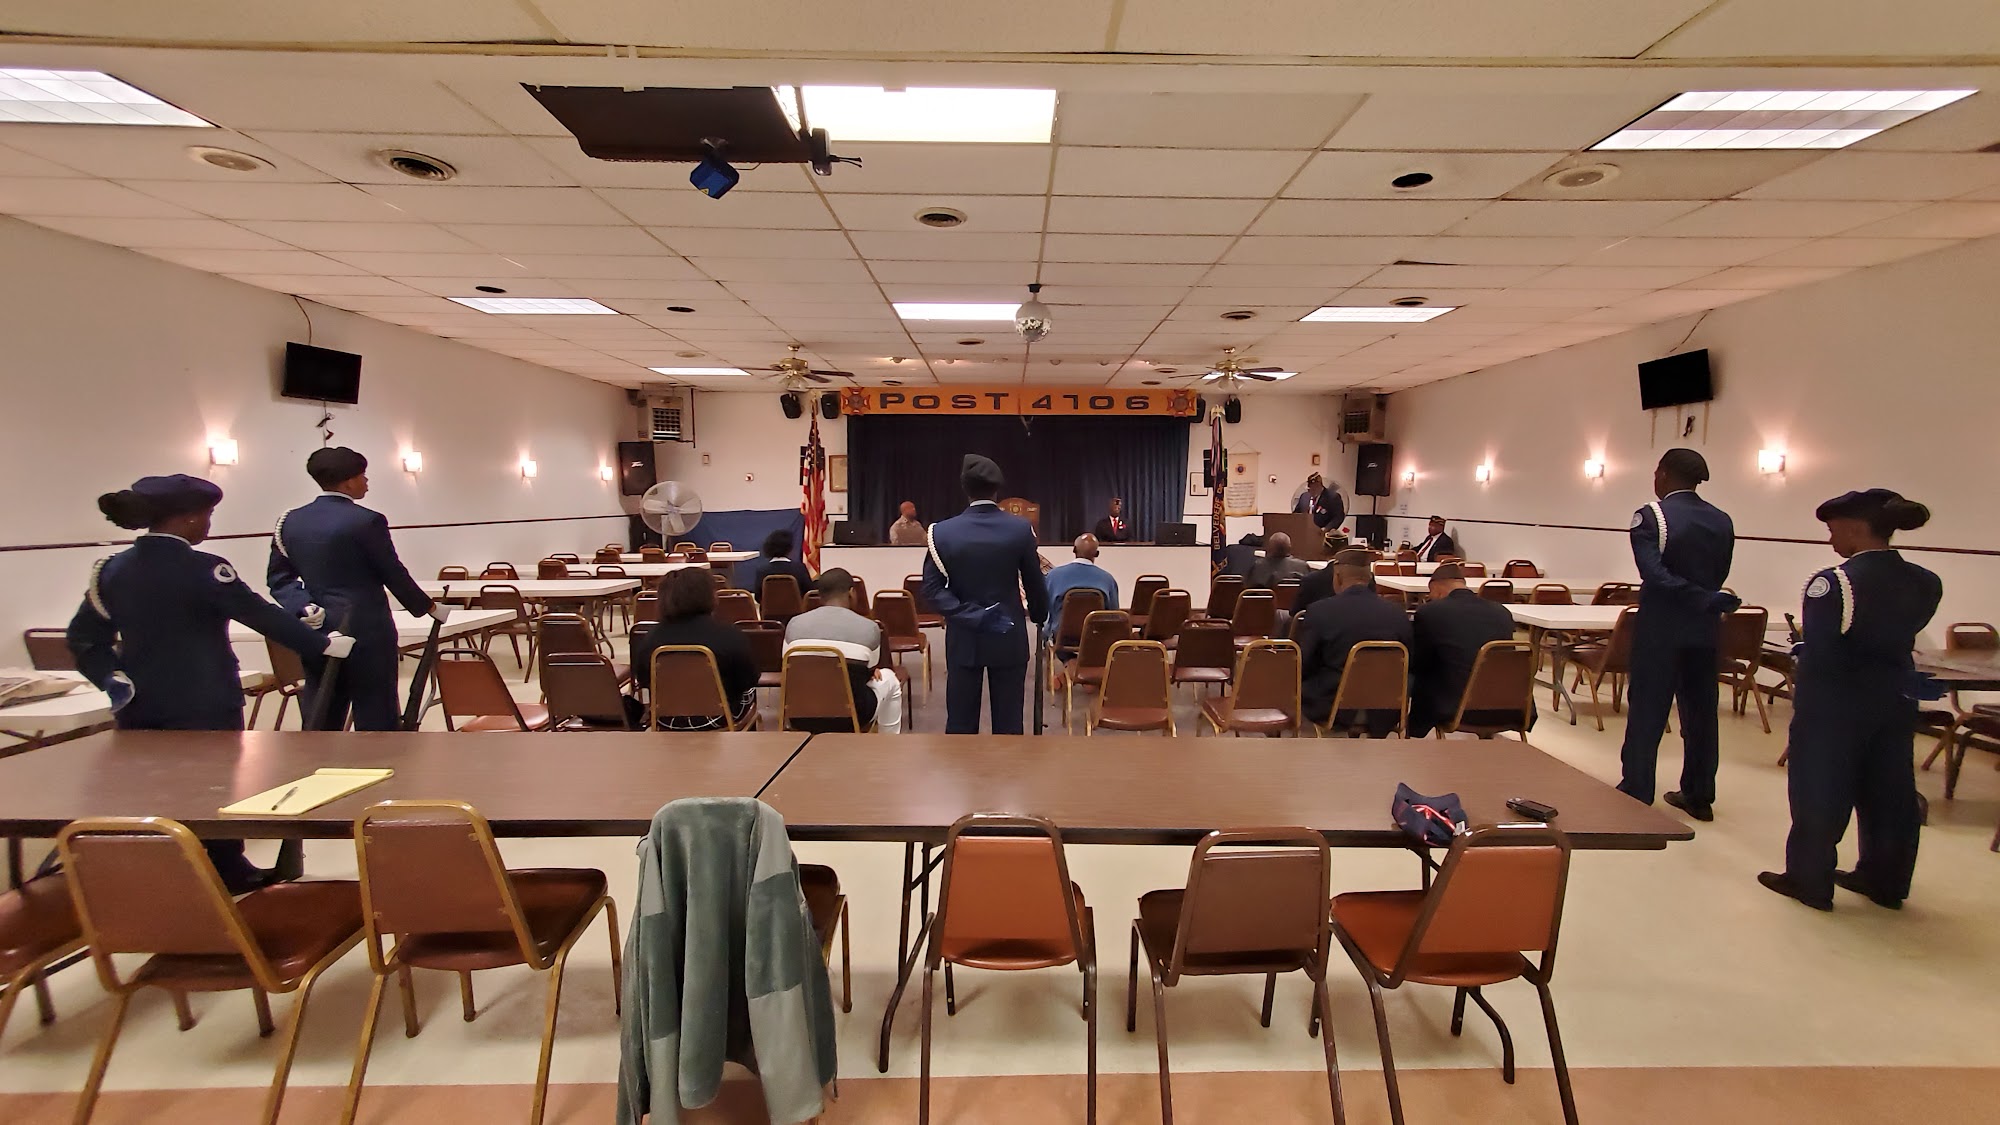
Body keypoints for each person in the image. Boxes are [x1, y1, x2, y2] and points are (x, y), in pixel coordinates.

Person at [67, 474, 351, 893]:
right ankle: (226, 868)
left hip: (140, 700)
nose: (208, 525)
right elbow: (259, 614)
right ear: (186, 519)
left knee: (153, 785)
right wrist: (321, 643)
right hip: (204, 696)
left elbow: (83, 637)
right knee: (214, 785)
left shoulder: (111, 569)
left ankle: (166, 867)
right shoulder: (204, 569)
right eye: (206, 515)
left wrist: (111, 678)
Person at [1760, 490, 1940, 912]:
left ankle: (1809, 879)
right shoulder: (1926, 581)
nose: (1831, 539)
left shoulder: (1835, 582)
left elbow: (1824, 651)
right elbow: (1898, 636)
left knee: (1820, 788)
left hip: (1835, 702)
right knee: (1890, 790)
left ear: (1856, 529)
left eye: (1833, 530)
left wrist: (1802, 656)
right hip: (1895, 697)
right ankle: (1885, 879)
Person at [267, 447, 442, 732]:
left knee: (323, 709)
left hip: (318, 628)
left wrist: (302, 606)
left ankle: (319, 757)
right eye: (363, 476)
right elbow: (391, 572)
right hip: (366, 627)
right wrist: (427, 606)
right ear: (348, 482)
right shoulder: (367, 520)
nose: (366, 482)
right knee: (375, 713)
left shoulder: (289, 521)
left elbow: (279, 578)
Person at [1615, 448, 1740, 821]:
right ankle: (1699, 794)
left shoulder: (1652, 516)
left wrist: (1696, 596)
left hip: (1662, 626)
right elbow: (1719, 572)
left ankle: (1637, 788)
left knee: (1648, 708)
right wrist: (1706, 599)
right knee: (1701, 712)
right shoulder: (1722, 519)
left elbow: (1654, 573)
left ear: (1664, 474)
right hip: (1705, 626)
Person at [922, 454, 1049, 735]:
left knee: (961, 724)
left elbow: (931, 589)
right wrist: (1041, 615)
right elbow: (1034, 583)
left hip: (964, 636)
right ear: (997, 489)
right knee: (1009, 725)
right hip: (1009, 634)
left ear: (964, 488)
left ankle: (962, 765)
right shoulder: (1020, 529)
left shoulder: (941, 532)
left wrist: (972, 615)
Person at [1297, 550, 1412, 734]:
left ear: (1337, 577)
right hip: (1386, 708)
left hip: (1333, 707)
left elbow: (1304, 664)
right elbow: (1410, 661)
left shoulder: (1320, 611)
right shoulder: (1397, 613)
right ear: (1370, 578)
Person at [629, 567, 759, 730]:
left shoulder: (650, 639)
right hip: (721, 718)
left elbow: (643, 680)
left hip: (666, 720)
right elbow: (750, 678)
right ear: (709, 596)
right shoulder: (729, 634)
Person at [783, 568, 904, 734]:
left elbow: (788, 666)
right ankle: (888, 743)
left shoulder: (794, 624)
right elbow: (870, 673)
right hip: (852, 717)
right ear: (852, 593)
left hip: (799, 716)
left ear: (819, 595)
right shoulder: (869, 627)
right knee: (889, 678)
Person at [1408, 563, 1521, 737]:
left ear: (1437, 589)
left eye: (1431, 594)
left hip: (1457, 706)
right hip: (1509, 705)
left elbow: (1419, 662)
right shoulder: (1501, 612)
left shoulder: (1431, 612)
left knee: (1414, 674)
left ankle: (1410, 731)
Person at [1042, 534, 1119, 632]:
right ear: (1097, 554)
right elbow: (1114, 616)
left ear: (1074, 549)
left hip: (1059, 636)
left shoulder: (1053, 576)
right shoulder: (1108, 580)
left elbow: (1044, 607)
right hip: (1095, 636)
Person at [734, 529, 813, 599]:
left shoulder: (762, 570)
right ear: (790, 548)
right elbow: (809, 592)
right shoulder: (799, 568)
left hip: (768, 610)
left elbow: (758, 597)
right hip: (797, 609)